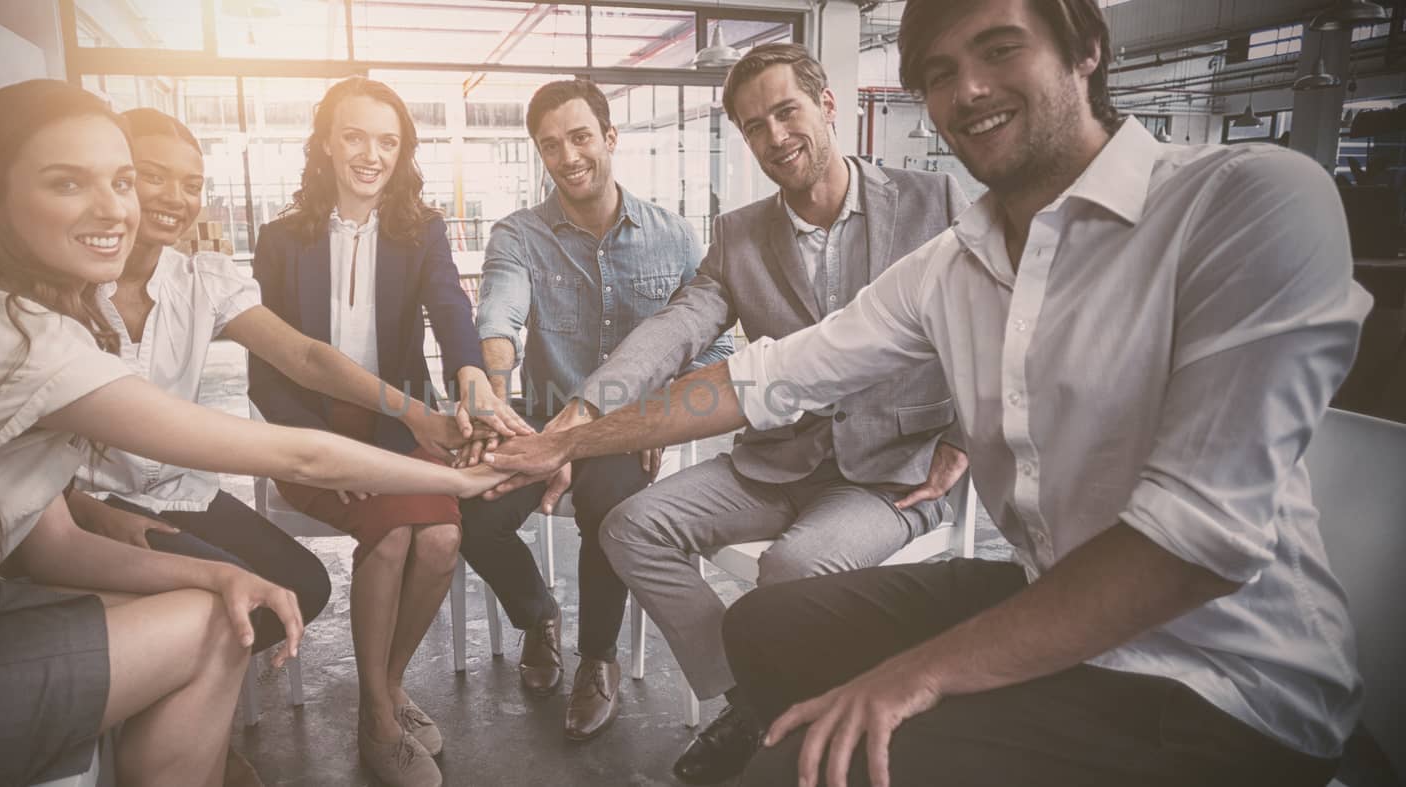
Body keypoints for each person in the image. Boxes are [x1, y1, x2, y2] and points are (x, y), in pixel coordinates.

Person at [484, 1, 1369, 785]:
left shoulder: (1248, 200)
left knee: (791, 761)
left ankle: (814, 745)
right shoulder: (953, 263)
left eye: (999, 48)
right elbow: (765, 374)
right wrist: (568, 436)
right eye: (940, 73)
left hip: (1219, 675)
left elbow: (1190, 544)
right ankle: (765, 710)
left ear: (1086, 45)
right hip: (1039, 580)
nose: (969, 90)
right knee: (762, 631)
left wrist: (911, 677)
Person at [0, 79, 507, 787]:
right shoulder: (13, 336)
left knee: (256, 591)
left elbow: (52, 542)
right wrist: (465, 474)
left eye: (121, 182)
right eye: (68, 183)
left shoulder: (0, 309)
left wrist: (221, 570)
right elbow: (293, 441)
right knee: (216, 621)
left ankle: (261, 729)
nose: (118, 206)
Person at [489, 44, 969, 782]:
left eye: (787, 111)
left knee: (791, 568)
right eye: (754, 126)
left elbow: (999, 322)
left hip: (890, 471)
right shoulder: (741, 233)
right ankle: (754, 699)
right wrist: (581, 414)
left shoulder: (933, 202)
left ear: (827, 105)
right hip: (776, 459)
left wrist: (965, 435)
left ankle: (766, 710)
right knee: (629, 526)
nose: (774, 136)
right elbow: (672, 331)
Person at [249, 77, 522, 787]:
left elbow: (451, 311)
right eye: (355, 135)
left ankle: (385, 690)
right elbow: (267, 373)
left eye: (388, 140)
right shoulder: (280, 241)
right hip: (309, 431)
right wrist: (314, 447)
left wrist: (471, 374)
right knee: (397, 531)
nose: (371, 153)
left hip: (400, 423)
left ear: (403, 153)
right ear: (327, 143)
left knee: (441, 534)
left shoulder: (421, 231)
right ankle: (378, 718)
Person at [457, 78, 733, 742]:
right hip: (541, 410)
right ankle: (538, 619)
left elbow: (713, 341)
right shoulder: (519, 233)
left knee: (609, 509)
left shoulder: (672, 237)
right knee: (471, 506)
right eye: (550, 145)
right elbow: (499, 313)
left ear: (610, 138)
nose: (568, 155)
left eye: (580, 137)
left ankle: (598, 659)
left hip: (624, 426)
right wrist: (492, 390)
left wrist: (665, 412)